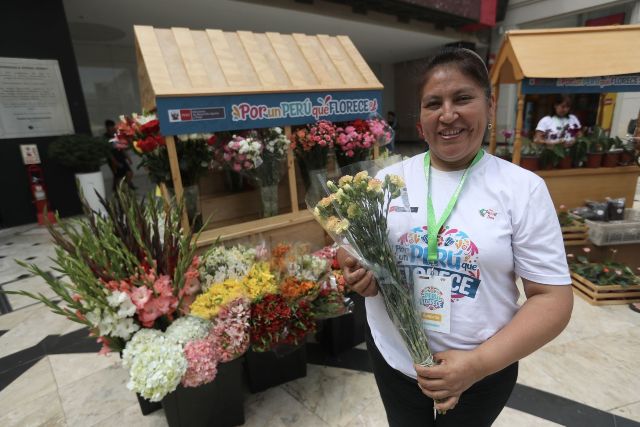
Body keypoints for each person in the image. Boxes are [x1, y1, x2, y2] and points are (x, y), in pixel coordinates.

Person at [338, 48, 573, 426]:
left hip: (481, 374)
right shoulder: (386, 182)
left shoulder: (522, 189)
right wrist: (356, 272)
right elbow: (353, 253)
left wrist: (477, 365)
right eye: (434, 103)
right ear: (421, 121)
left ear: (490, 107)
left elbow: (553, 299)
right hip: (396, 362)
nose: (448, 114)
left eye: (462, 98)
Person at [104, 119, 135, 191]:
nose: (112, 128)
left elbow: (122, 148)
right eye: (110, 127)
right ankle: (118, 189)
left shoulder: (116, 135)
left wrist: (129, 158)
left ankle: (126, 185)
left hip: (121, 158)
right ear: (107, 128)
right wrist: (115, 162)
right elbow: (108, 153)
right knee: (118, 175)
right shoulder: (105, 138)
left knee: (129, 173)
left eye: (112, 127)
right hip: (113, 160)